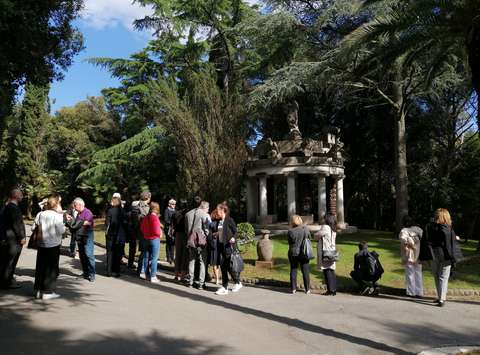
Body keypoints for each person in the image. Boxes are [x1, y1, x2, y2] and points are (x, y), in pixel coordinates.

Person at [426, 208, 463, 307]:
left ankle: (439, 297)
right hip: (445, 255)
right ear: (446, 216)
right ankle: (441, 299)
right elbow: (449, 243)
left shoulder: (430, 226)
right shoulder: (447, 228)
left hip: (433, 254)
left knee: (436, 276)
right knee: (443, 277)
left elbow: (428, 240)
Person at [33, 195, 65, 300]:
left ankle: (38, 290)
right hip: (53, 244)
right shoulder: (57, 216)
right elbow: (61, 230)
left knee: (40, 267)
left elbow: (34, 226)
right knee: (51, 268)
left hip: (41, 243)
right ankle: (47, 291)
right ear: (56, 204)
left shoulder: (41, 214)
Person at [0, 189, 26, 289]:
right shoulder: (13, 208)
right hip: (13, 240)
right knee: (10, 262)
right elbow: (17, 224)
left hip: (8, 238)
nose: (22, 196)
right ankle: (6, 282)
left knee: (6, 261)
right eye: (21, 194)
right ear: (15, 196)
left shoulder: (7, 206)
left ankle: (5, 280)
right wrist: (22, 236)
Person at [215, 204, 241, 295]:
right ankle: (225, 287)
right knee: (224, 266)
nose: (217, 212)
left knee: (228, 266)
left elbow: (236, 232)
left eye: (218, 210)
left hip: (229, 247)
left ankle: (236, 283)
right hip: (222, 246)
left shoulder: (229, 220)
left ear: (223, 210)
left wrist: (233, 238)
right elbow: (221, 232)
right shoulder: (219, 221)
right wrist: (217, 235)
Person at [67, 198, 95, 282]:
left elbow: (87, 223)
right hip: (80, 236)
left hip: (87, 236)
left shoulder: (87, 212)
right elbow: (77, 224)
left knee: (89, 254)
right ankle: (86, 273)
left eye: (75, 205)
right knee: (82, 255)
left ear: (79, 205)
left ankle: (92, 274)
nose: (74, 207)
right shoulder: (78, 213)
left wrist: (81, 223)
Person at [185, 200, 210, 290]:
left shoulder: (188, 214)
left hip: (191, 240)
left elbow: (187, 229)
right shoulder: (204, 214)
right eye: (208, 208)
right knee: (202, 261)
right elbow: (207, 229)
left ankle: (190, 282)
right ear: (205, 207)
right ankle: (201, 283)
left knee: (191, 261)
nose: (208, 210)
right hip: (201, 241)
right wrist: (206, 236)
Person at [399, 215, 424, 298]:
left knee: (410, 273)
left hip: (409, 254)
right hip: (419, 254)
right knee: (418, 273)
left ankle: (411, 292)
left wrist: (410, 244)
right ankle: (419, 292)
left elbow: (403, 240)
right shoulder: (419, 229)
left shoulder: (404, 230)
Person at [315, 213, 337, 296]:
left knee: (326, 270)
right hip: (332, 251)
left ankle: (330, 290)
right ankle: (333, 290)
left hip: (325, 251)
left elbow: (317, 235)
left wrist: (315, 235)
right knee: (332, 270)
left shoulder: (325, 227)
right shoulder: (333, 228)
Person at [287, 215, 311, 294]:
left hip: (293, 252)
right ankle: (307, 289)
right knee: (305, 271)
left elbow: (290, 242)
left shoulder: (290, 231)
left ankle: (293, 288)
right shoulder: (305, 230)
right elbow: (309, 238)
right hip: (304, 252)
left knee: (293, 270)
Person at [139, 202, 162, 283]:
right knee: (154, 258)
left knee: (146, 257)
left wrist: (146, 234)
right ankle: (153, 276)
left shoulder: (146, 217)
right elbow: (156, 230)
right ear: (156, 209)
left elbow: (142, 228)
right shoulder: (154, 218)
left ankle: (145, 274)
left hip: (146, 239)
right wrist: (160, 234)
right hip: (154, 239)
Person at [105, 196, 127, 277]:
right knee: (118, 253)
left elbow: (107, 223)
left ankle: (109, 271)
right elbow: (125, 223)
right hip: (120, 235)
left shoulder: (110, 211)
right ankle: (117, 271)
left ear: (113, 202)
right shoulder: (123, 211)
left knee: (110, 252)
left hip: (111, 234)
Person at [131, 192, 151, 275]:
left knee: (144, 251)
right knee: (144, 251)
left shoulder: (137, 206)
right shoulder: (144, 207)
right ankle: (142, 270)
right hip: (143, 232)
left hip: (140, 232)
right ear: (147, 198)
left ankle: (141, 270)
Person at [173, 199, 189, 281]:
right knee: (184, 255)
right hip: (185, 235)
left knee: (178, 254)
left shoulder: (175, 213)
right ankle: (182, 276)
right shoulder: (187, 214)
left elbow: (173, 225)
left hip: (177, 234)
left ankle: (176, 274)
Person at [208, 207, 222, 285]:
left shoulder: (211, 224)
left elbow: (209, 236)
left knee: (214, 262)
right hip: (220, 244)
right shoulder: (221, 223)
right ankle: (219, 277)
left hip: (213, 244)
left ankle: (217, 279)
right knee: (219, 262)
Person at [164, 199, 176, 264]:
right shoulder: (167, 210)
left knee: (173, 243)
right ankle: (168, 257)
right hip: (168, 229)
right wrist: (172, 223)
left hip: (173, 229)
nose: (174, 205)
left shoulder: (175, 211)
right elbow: (166, 220)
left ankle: (172, 257)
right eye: (173, 204)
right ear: (169, 204)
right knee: (168, 243)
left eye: (175, 204)